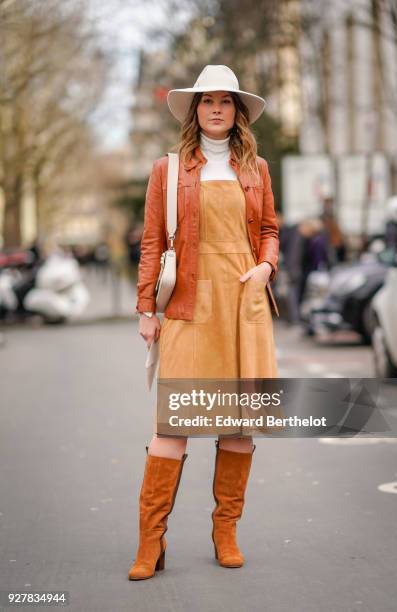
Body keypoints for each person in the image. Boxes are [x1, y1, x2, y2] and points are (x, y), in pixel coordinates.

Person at [128, 65, 280, 580]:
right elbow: (152, 242)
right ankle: (151, 543)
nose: (216, 108)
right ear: (194, 111)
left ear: (237, 112)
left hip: (244, 305)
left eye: (226, 101)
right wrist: (147, 310)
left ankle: (226, 531)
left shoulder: (256, 167)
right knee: (173, 426)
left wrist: (266, 265)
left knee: (238, 426)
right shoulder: (167, 171)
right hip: (189, 304)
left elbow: (270, 231)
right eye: (207, 100)